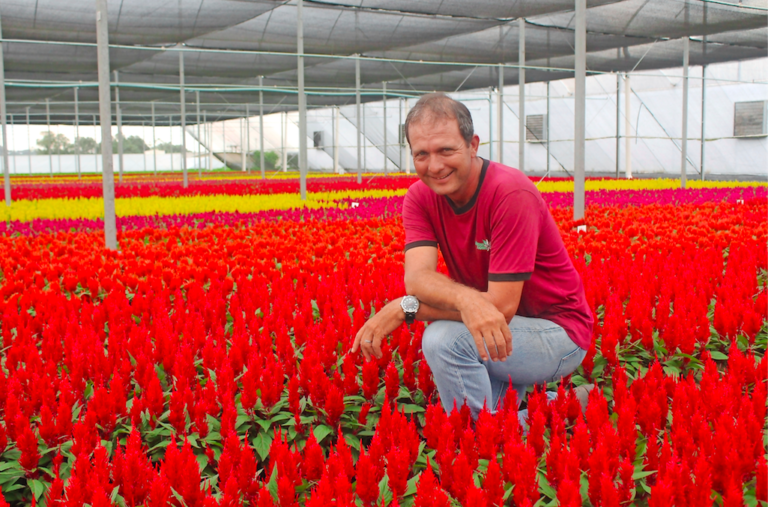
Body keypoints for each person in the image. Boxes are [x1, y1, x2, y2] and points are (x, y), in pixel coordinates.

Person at [351, 92, 593, 422]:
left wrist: (406, 308)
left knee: (443, 340)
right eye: (421, 154)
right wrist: (467, 302)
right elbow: (417, 279)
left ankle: (497, 431)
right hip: (492, 328)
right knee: (483, 415)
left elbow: (502, 306)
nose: (434, 166)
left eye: (445, 150)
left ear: (473, 144)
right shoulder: (420, 198)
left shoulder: (510, 193)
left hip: (558, 333)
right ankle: (557, 407)